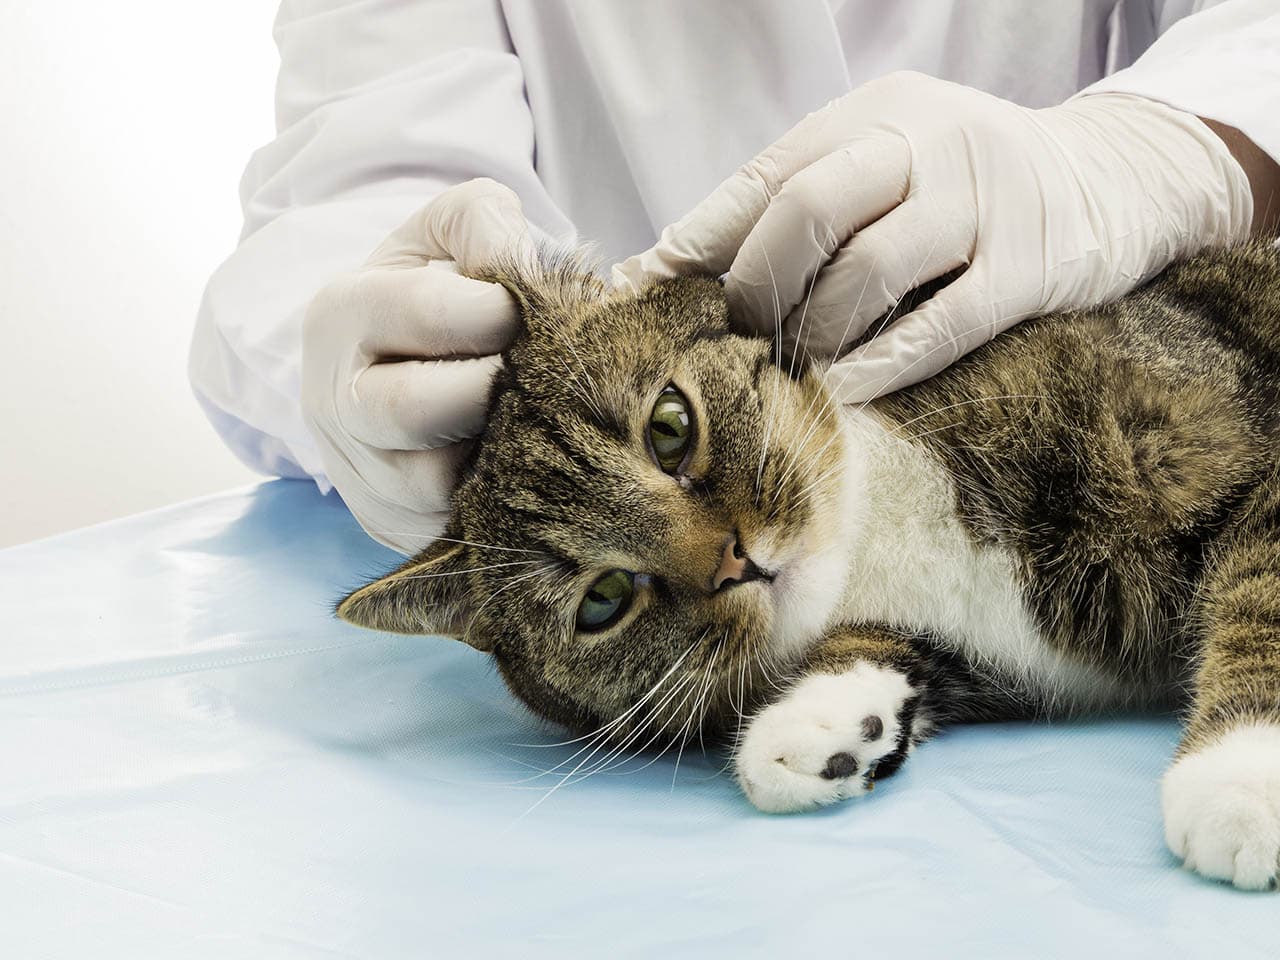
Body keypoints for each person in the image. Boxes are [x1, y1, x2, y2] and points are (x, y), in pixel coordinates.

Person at [190, 0, 1280, 555]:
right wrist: (362, 355)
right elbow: (347, 188)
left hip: (1110, 487)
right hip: (664, 649)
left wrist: (1170, 150)